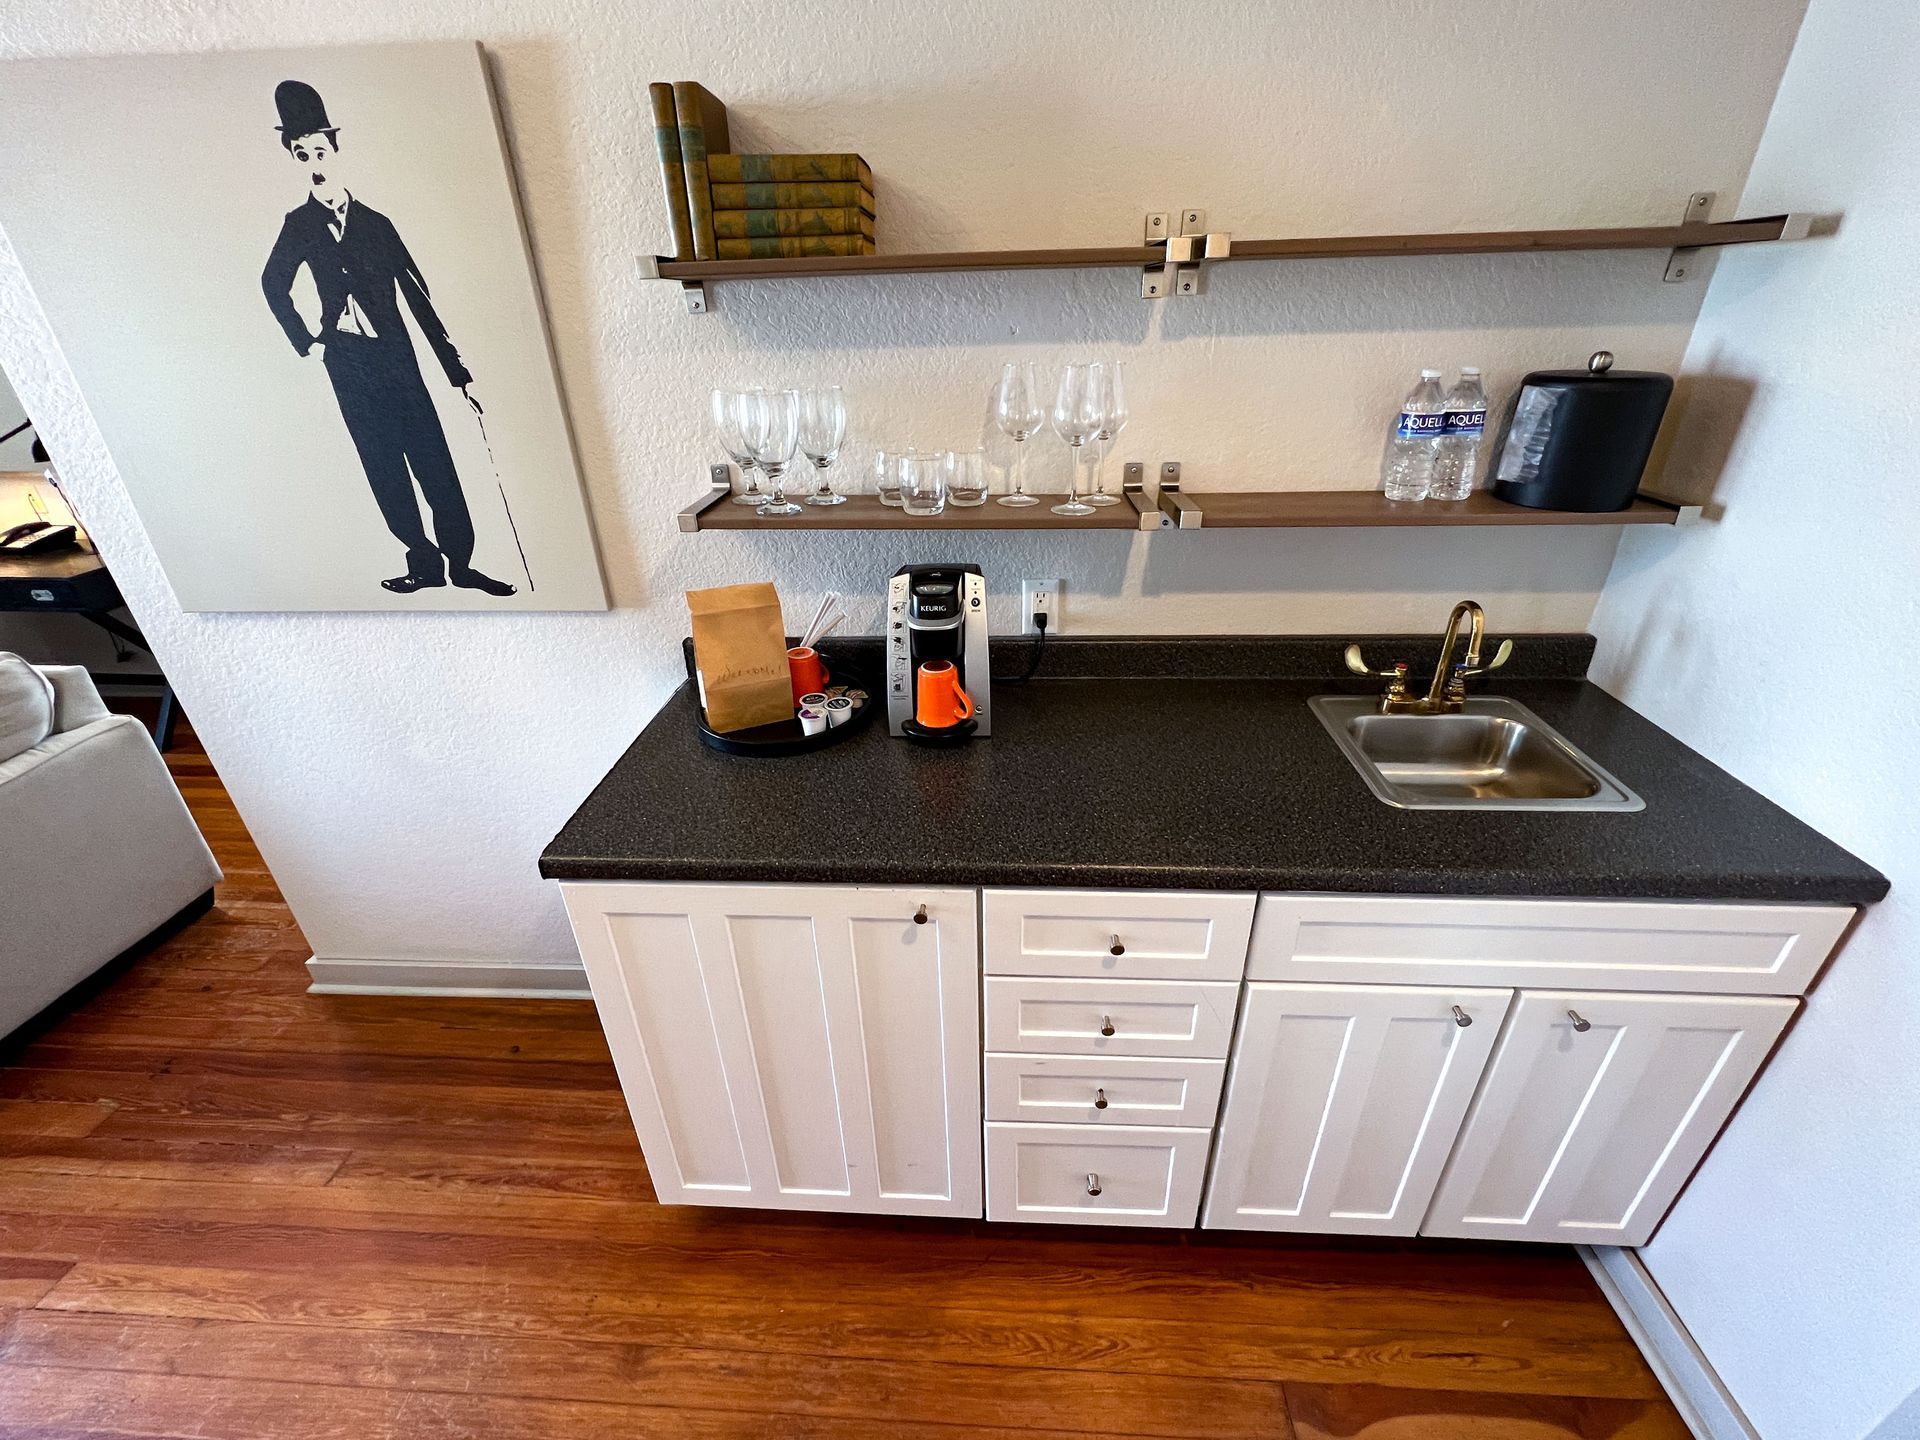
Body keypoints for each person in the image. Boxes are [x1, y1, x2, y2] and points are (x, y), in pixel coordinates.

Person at [260, 80, 515, 596]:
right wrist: (308, 340)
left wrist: (456, 371)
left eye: (321, 150)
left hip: (398, 359)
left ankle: (461, 565)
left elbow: (420, 300)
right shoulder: (299, 224)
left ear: (336, 147)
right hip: (348, 363)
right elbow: (272, 283)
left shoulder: (377, 223)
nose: (314, 162)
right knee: (382, 466)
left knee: (432, 461)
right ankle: (421, 563)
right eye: (302, 153)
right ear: (293, 156)